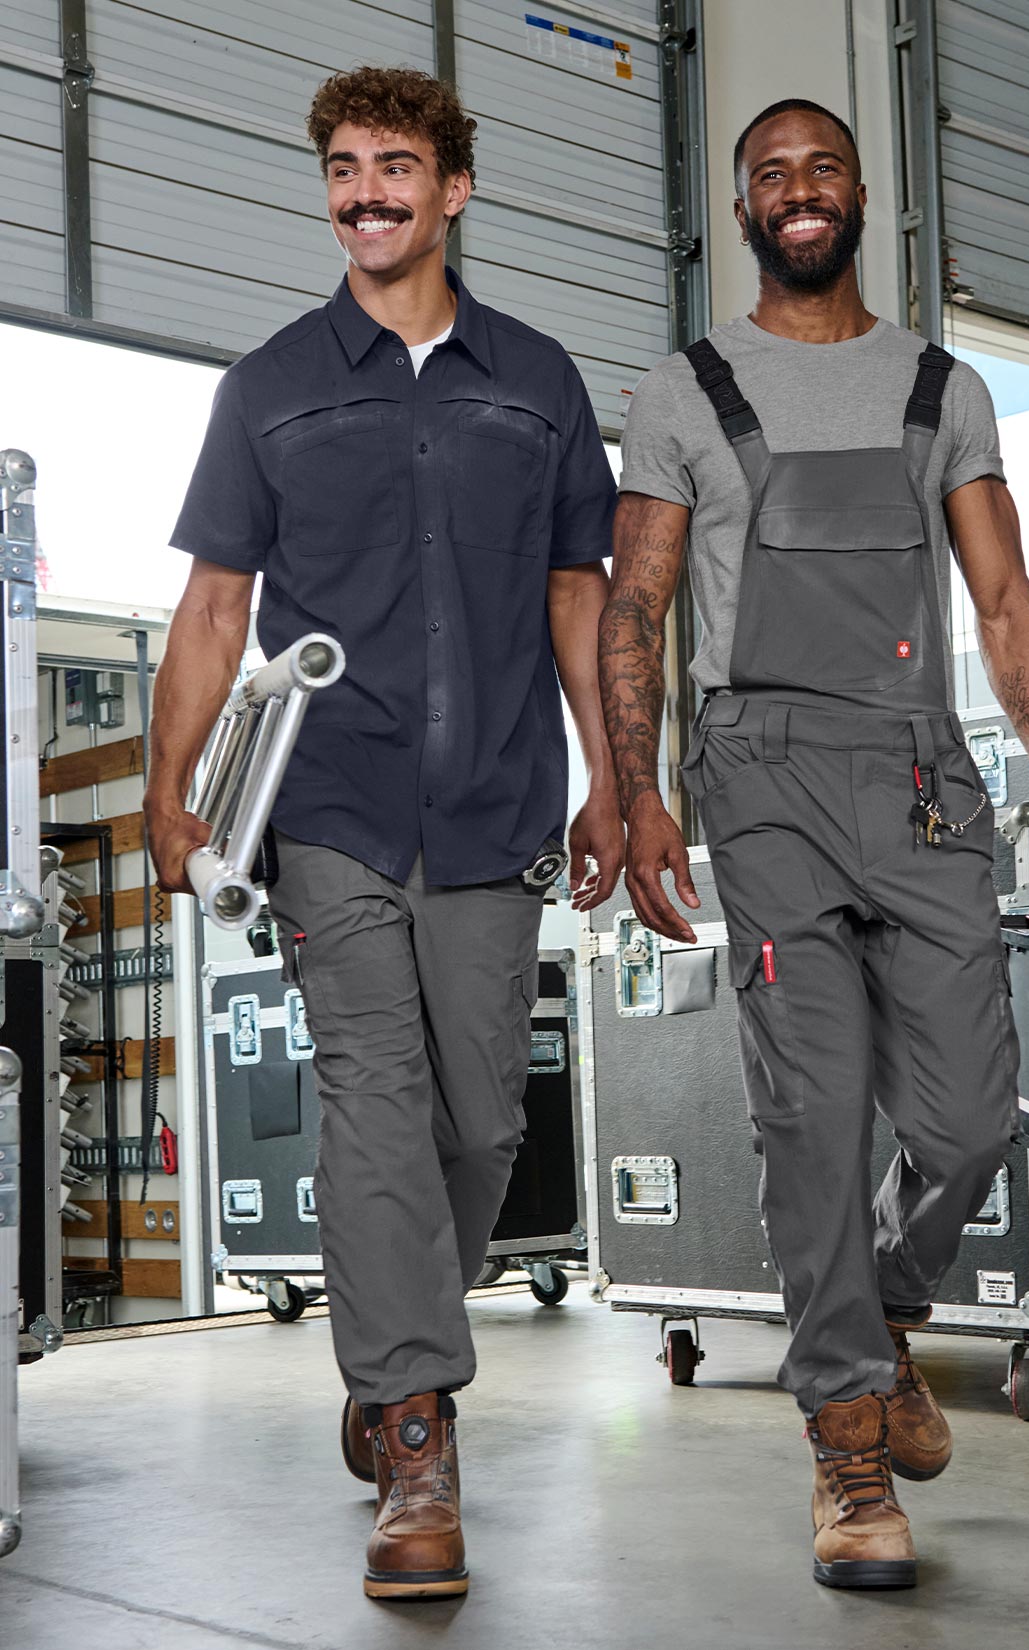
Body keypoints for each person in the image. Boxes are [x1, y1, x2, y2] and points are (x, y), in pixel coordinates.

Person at [599, 97, 1029, 1591]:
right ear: (745, 209)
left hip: (921, 782)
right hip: (757, 784)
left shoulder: (940, 387)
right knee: (813, 1118)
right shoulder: (683, 391)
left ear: (861, 194)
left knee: (967, 1118)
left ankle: (886, 1306)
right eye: (769, 175)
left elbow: (1006, 604)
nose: (797, 192)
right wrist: (639, 791)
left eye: (821, 168)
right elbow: (637, 608)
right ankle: (843, 1438)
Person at [145, 66, 623, 1600]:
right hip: (330, 802)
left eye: (396, 167)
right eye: (344, 170)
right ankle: (416, 1429)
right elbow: (218, 606)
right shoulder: (273, 383)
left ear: (455, 190)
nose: (366, 193)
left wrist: (625, 777)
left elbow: (579, 597)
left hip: (495, 802)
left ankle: (395, 1331)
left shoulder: (538, 378)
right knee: (370, 1096)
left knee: (482, 1123)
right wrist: (174, 790)